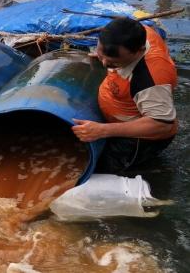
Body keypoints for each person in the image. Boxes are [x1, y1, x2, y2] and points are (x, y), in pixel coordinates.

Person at [71, 17, 177, 172]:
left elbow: (161, 125)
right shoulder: (137, 32)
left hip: (138, 140)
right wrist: (105, 55)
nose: (105, 64)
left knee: (94, 169)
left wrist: (103, 130)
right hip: (122, 110)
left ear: (139, 51)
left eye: (114, 61)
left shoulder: (150, 80)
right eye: (101, 53)